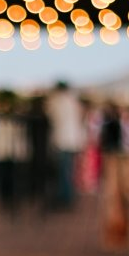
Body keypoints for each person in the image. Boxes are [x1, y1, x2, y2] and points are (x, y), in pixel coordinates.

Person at [45, 80, 86, 208]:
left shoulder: (57, 101)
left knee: (64, 170)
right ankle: (68, 195)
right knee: (68, 169)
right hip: (73, 140)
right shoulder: (74, 100)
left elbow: (51, 114)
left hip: (64, 140)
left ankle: (65, 197)